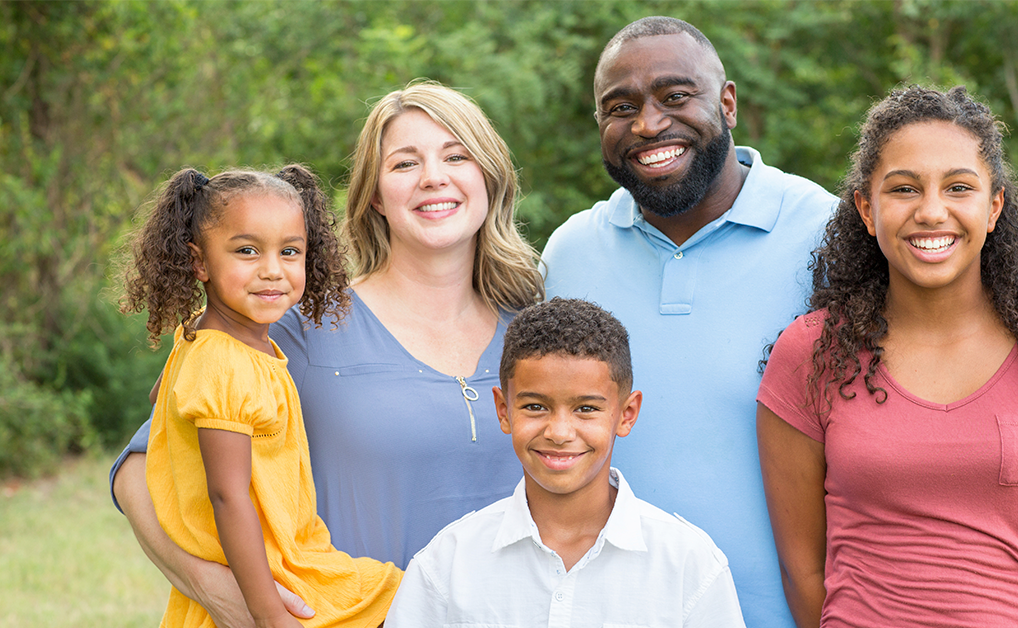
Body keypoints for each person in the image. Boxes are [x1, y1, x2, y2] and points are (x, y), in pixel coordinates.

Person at [111, 82, 543, 627]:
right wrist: (227, 597)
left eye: (457, 156)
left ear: (489, 177)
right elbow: (140, 469)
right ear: (375, 196)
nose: (434, 176)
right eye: (405, 163)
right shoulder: (291, 327)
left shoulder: (535, 333)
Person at [757, 85, 1018, 627]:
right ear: (867, 208)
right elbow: (804, 573)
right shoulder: (810, 354)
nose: (932, 212)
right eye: (905, 189)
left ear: (993, 206)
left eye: (959, 187)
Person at [540, 17, 836, 627]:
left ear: (727, 103)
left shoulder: (829, 235)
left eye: (676, 97)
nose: (648, 124)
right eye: (620, 107)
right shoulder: (569, 254)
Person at [119, 165, 401, 627]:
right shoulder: (225, 362)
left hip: (281, 565)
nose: (272, 270)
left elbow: (163, 397)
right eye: (247, 251)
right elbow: (228, 495)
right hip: (273, 580)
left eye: (290, 251)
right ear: (199, 262)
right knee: (421, 596)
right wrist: (268, 614)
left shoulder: (205, 339)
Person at [383, 298, 747, 627]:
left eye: (586, 408)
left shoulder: (689, 566)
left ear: (626, 414)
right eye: (535, 406)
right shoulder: (448, 563)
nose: (559, 432)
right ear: (503, 410)